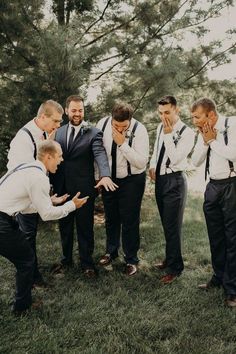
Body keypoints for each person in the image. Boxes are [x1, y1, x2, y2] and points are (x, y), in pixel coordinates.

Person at [0, 140, 88, 315]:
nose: (61, 160)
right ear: (49, 156)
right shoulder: (39, 177)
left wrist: (48, 201)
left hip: (6, 217)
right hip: (2, 223)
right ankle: (21, 308)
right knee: (26, 261)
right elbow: (46, 215)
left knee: (25, 258)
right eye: (59, 156)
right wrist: (72, 205)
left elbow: (23, 203)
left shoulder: (26, 167)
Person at [50, 95, 117, 277]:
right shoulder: (58, 131)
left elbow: (100, 154)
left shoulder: (93, 132)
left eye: (80, 110)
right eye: (74, 110)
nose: (77, 113)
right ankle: (66, 260)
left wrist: (104, 175)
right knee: (65, 225)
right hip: (62, 187)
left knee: (85, 227)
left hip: (84, 188)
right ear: (66, 111)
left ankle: (87, 263)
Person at [7, 99, 64, 288]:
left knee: (30, 236)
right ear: (42, 117)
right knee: (27, 237)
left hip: (34, 195)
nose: (58, 125)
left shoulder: (42, 134)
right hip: (24, 198)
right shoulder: (23, 139)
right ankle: (32, 279)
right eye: (55, 120)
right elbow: (22, 173)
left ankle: (33, 275)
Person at [191, 97, 236, 308]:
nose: (194, 121)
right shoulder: (203, 132)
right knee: (215, 236)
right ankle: (218, 277)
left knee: (232, 238)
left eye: (197, 117)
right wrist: (204, 140)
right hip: (212, 187)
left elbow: (234, 154)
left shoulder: (232, 124)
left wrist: (212, 141)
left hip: (232, 185)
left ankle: (232, 289)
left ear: (210, 114)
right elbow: (195, 161)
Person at [97, 102, 149, 276]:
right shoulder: (102, 124)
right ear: (111, 118)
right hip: (109, 179)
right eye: (116, 125)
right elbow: (98, 152)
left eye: (123, 126)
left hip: (132, 180)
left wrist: (122, 144)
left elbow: (141, 162)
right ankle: (111, 252)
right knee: (111, 217)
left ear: (130, 120)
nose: (119, 129)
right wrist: (99, 176)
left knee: (129, 220)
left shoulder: (140, 130)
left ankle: (131, 259)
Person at [149, 95, 195, 284]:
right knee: (166, 224)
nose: (163, 117)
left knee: (173, 226)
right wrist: (152, 166)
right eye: (160, 113)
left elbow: (176, 159)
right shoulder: (161, 127)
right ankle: (170, 258)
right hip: (161, 180)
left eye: (167, 112)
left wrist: (168, 134)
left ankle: (175, 268)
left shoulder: (187, 132)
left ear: (177, 110)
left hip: (175, 181)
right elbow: (157, 150)